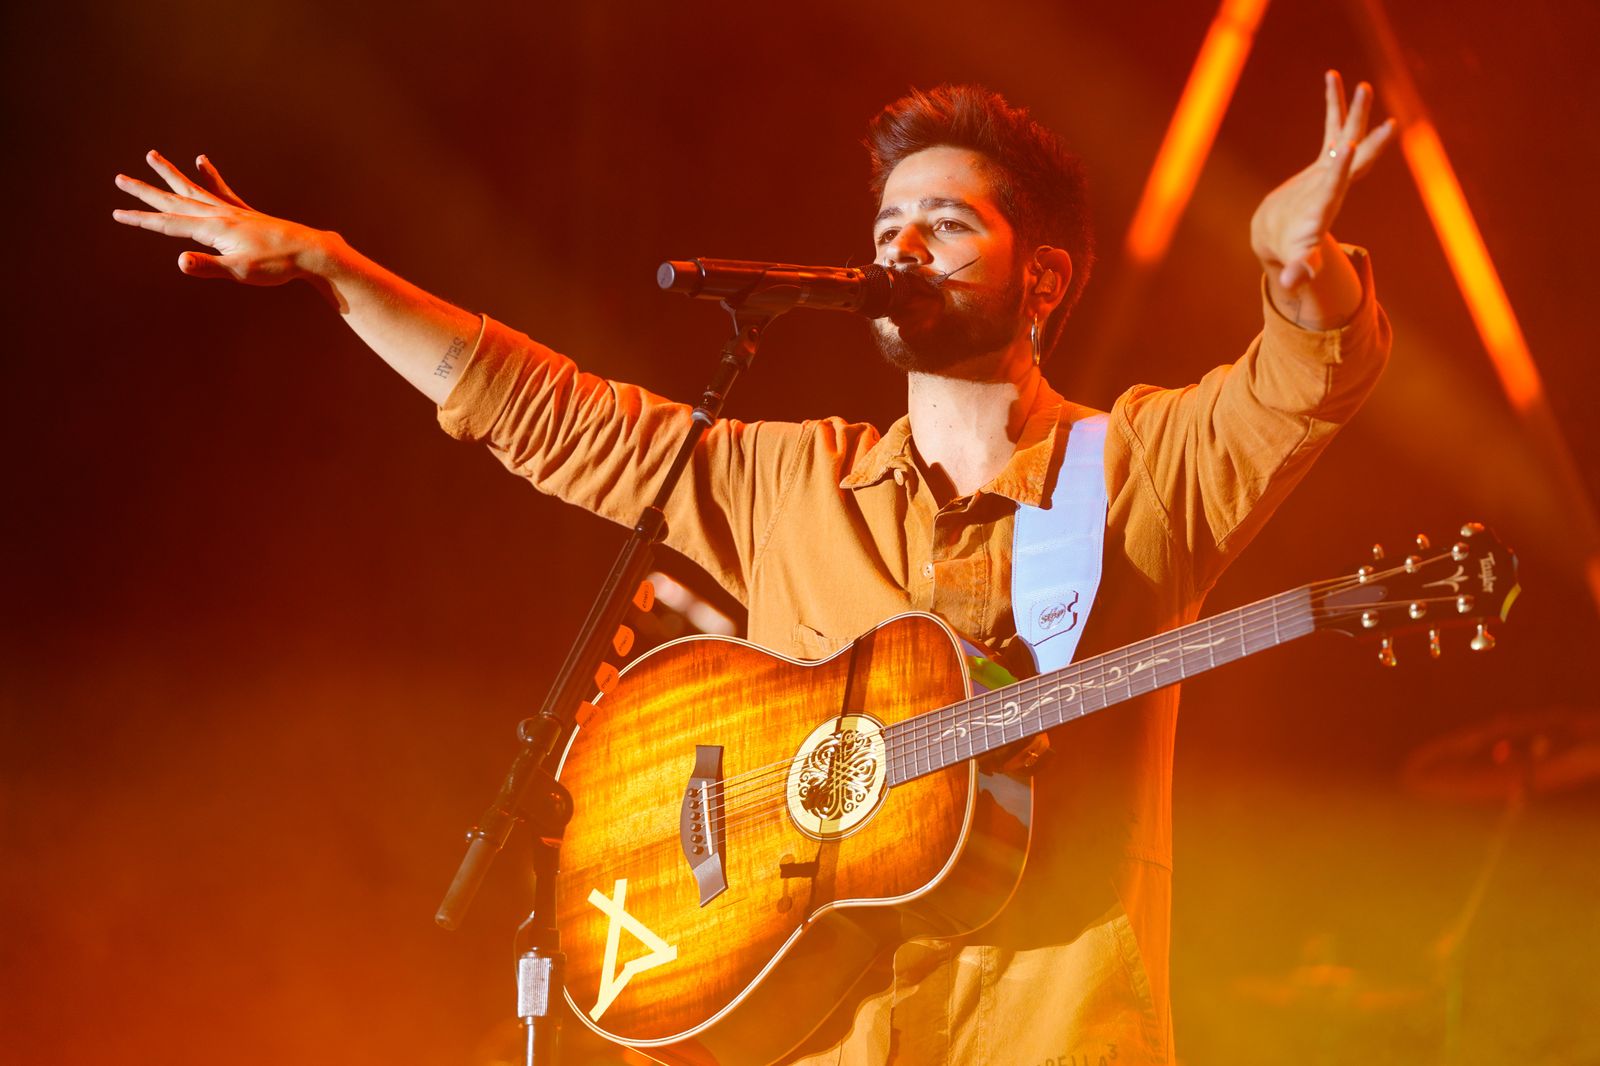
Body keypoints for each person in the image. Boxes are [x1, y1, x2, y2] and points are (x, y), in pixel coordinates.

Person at [113, 72, 1394, 1065]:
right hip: (806, 1034)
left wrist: (1303, 274)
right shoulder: (796, 481)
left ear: (1041, 277)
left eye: (944, 227)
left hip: (1046, 1032)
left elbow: (1296, 387)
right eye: (887, 225)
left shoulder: (1139, 472)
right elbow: (553, 417)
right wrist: (338, 268)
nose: (899, 251)